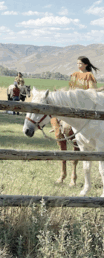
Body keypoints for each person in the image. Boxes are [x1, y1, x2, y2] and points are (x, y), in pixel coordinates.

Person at [53, 56, 98, 185]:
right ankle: (58, 129)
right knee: (56, 117)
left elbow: (91, 91)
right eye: (77, 63)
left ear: (85, 64)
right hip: (72, 101)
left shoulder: (89, 76)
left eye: (80, 63)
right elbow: (71, 88)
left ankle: (76, 136)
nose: (78, 65)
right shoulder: (74, 75)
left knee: (70, 126)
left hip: (82, 103)